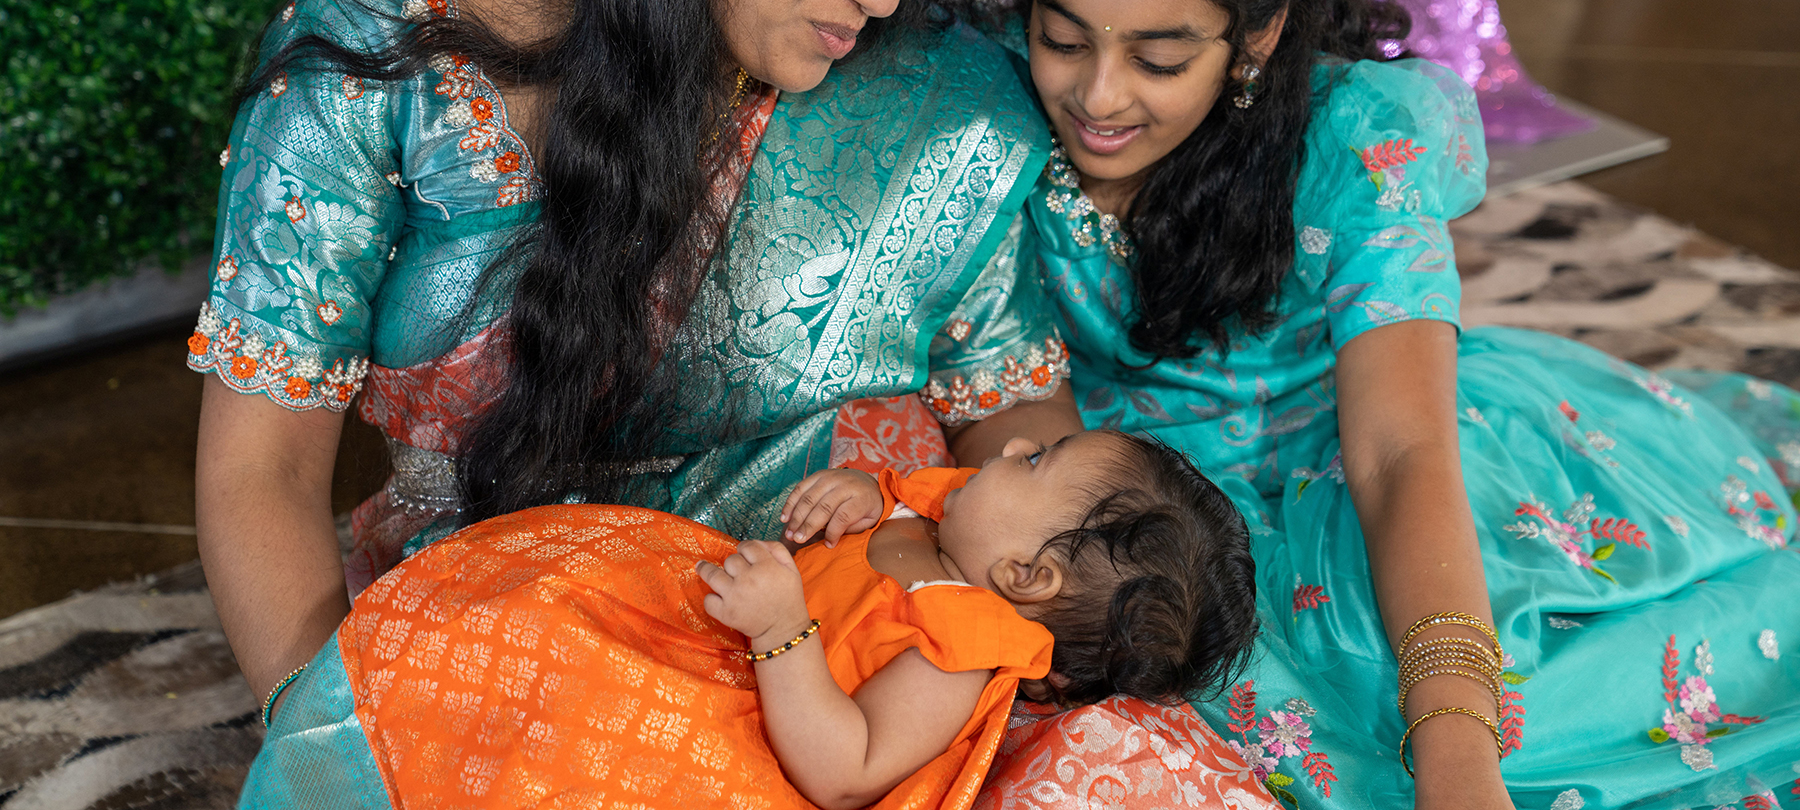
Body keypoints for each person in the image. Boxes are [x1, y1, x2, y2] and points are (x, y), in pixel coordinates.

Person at [189, 0, 1085, 739]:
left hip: (853, 658)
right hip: (509, 651)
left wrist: (978, 610)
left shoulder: (932, 102)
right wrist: (327, 748)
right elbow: (263, 470)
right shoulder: (390, 47)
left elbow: (1010, 408)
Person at [1006, 0, 1800, 807]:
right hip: (1147, 516)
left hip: (1364, 468)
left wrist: (1457, 742)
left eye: (1159, 59)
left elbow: (1398, 453)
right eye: (1064, 39)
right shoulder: (989, 115)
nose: (1099, 96)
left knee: (1526, 723)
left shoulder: (1358, 144)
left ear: (1255, 40)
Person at [239, 429, 1261, 808]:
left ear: (1028, 577)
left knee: (577, 728)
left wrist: (784, 633)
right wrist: (859, 495)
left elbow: (847, 769)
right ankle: (382, 728)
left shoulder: (964, 646)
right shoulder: (942, 516)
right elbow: (880, 516)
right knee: (535, 612)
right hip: (712, 645)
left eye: (1036, 465)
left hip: (755, 750)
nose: (1006, 451)